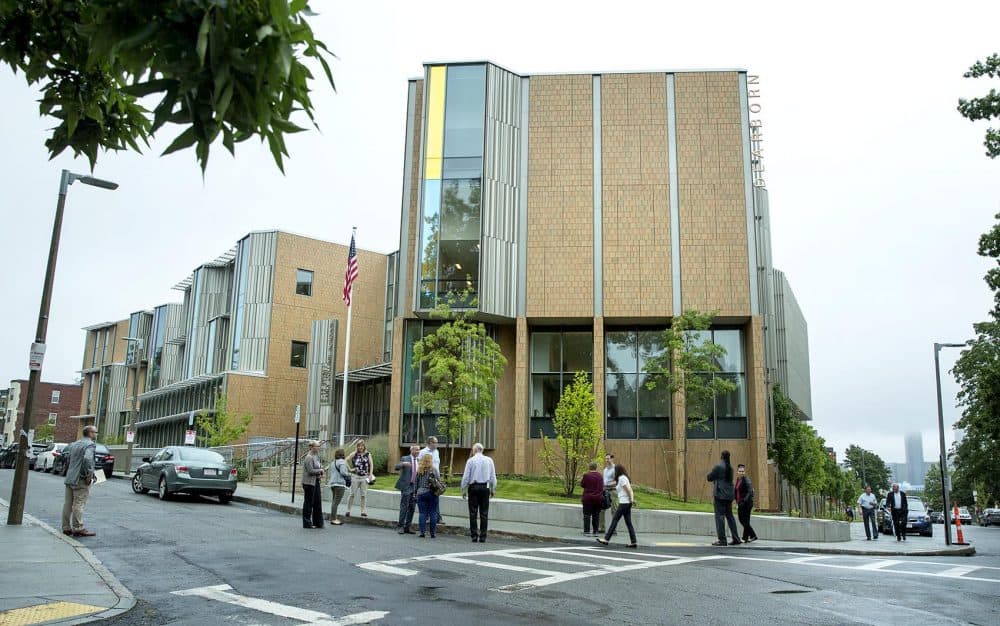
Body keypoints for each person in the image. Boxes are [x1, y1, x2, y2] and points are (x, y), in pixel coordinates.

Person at [62, 425, 97, 537]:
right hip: (80, 479)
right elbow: (87, 459)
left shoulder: (75, 444)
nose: (96, 434)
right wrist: (89, 474)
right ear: (90, 433)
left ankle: (66, 527)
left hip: (70, 477)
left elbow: (68, 459)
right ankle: (78, 528)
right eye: (95, 432)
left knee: (68, 503)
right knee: (79, 503)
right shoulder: (90, 445)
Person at [460, 443, 497, 543]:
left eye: (472, 450)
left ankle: (474, 535)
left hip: (473, 487)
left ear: (475, 450)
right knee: (484, 513)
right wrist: (493, 489)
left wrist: (463, 489)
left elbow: (466, 477)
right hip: (485, 487)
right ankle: (483, 536)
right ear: (482, 450)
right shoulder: (489, 460)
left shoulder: (470, 461)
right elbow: (493, 476)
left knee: (473, 512)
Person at [596, 464, 636, 548]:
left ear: (618, 471)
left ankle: (606, 539)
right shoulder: (623, 478)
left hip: (624, 503)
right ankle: (633, 542)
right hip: (626, 503)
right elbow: (628, 489)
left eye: (614, 471)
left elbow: (628, 490)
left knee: (615, 520)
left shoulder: (622, 478)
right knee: (628, 523)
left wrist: (631, 500)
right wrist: (631, 500)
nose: (614, 473)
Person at [707, 450, 741, 546]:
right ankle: (736, 538)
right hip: (729, 495)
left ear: (721, 456)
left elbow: (709, 477)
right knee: (730, 516)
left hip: (720, 495)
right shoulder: (731, 468)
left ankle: (722, 540)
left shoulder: (718, 467)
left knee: (720, 517)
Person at [345, 439, 374, 518]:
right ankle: (348, 510)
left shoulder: (368, 454)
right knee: (352, 494)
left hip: (364, 477)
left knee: (363, 495)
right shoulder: (354, 454)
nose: (360, 447)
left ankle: (363, 511)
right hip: (355, 477)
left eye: (362, 446)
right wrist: (350, 469)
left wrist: (370, 475)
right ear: (357, 447)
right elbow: (345, 460)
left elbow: (371, 465)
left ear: (364, 446)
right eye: (359, 446)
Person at [418, 436, 444, 525]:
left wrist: (439, 479)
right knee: (429, 497)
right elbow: (420, 466)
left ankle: (437, 517)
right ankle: (432, 517)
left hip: (436, 478)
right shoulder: (422, 452)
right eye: (435, 442)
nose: (437, 444)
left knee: (436, 497)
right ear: (430, 443)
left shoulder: (436, 452)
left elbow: (437, 465)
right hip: (426, 479)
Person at [395, 445, 421, 534]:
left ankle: (407, 527)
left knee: (412, 507)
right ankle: (401, 526)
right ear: (412, 450)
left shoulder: (418, 460)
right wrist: (403, 464)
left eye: (419, 450)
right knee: (404, 506)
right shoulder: (405, 458)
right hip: (406, 486)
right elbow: (396, 467)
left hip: (415, 487)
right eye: (416, 450)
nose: (418, 451)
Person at [301, 441, 325, 529]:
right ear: (311, 447)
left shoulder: (316, 457)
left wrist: (319, 472)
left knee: (317, 502)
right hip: (308, 483)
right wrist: (320, 471)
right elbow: (310, 470)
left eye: (319, 446)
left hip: (315, 482)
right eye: (317, 446)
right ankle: (307, 523)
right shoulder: (309, 457)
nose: (319, 448)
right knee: (308, 503)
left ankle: (318, 522)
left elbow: (316, 468)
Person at [414, 454, 439, 538]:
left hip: (421, 493)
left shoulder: (419, 470)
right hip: (432, 493)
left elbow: (416, 483)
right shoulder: (434, 470)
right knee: (433, 512)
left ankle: (422, 532)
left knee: (422, 513)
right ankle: (433, 533)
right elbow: (438, 481)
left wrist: (415, 493)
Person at [734, 463, 758, 542]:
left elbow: (750, 491)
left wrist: (744, 500)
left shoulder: (746, 479)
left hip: (746, 504)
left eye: (743, 471)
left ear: (744, 472)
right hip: (740, 503)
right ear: (737, 472)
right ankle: (745, 537)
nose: (741, 473)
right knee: (743, 520)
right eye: (740, 471)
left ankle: (753, 535)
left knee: (744, 521)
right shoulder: (738, 480)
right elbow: (736, 491)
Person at [580, 462, 605, 536]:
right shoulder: (600, 476)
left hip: (588, 498)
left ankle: (587, 531)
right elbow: (602, 486)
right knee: (596, 515)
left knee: (587, 515)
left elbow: (582, 484)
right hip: (598, 498)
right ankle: (595, 531)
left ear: (589, 467)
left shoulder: (586, 475)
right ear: (596, 467)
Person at [327, 448, 350, 526]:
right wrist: (349, 474)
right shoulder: (342, 462)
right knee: (336, 502)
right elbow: (343, 472)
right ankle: (333, 519)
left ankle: (333, 517)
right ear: (343, 454)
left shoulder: (333, 462)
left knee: (334, 502)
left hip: (333, 484)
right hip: (340, 484)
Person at [600, 453, 617, 533]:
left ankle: (614, 530)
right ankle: (602, 528)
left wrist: (607, 484)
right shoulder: (605, 469)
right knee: (601, 509)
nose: (606, 460)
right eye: (606, 459)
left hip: (613, 491)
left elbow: (617, 481)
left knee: (613, 510)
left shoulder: (615, 469)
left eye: (608, 459)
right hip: (605, 491)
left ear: (612, 459)